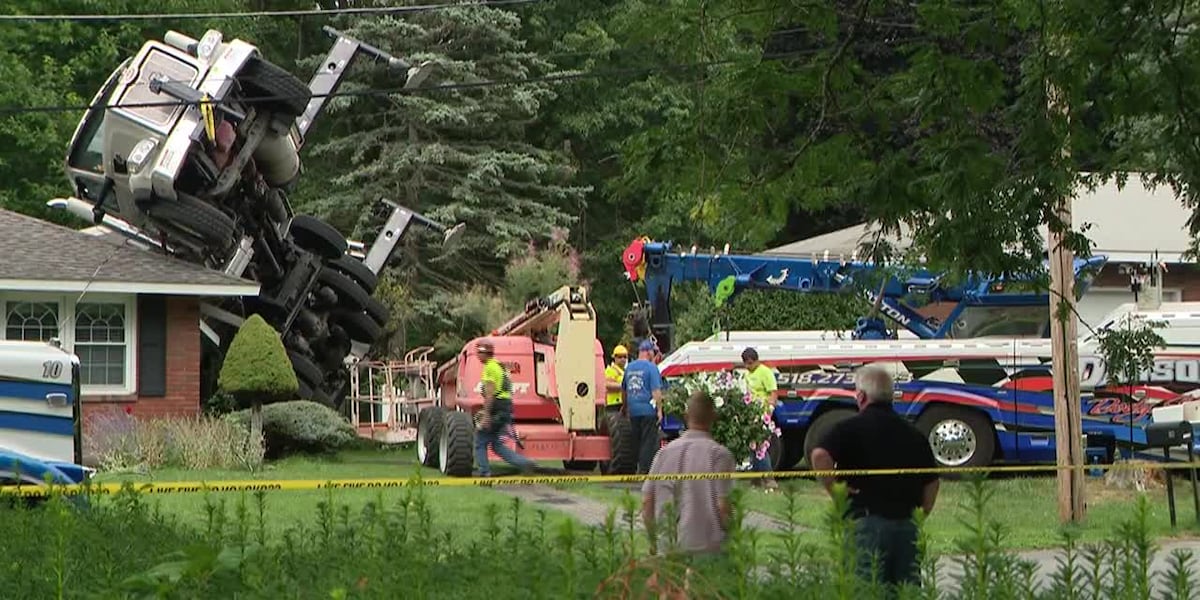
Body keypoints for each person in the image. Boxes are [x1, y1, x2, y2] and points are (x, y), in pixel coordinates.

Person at [808, 365, 941, 593]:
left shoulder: (848, 429)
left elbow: (819, 455)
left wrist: (836, 490)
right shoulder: (913, 434)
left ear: (860, 396)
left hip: (866, 524)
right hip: (906, 526)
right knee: (906, 591)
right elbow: (932, 483)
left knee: (866, 589)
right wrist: (920, 514)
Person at [642, 389, 735, 557]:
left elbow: (648, 501)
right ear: (714, 417)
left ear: (686, 416)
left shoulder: (664, 454)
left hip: (669, 547)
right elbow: (723, 506)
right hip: (709, 549)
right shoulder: (720, 456)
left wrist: (653, 542)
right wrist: (734, 540)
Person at [474, 339, 535, 477]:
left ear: (484, 353)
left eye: (478, 352)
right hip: (506, 406)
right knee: (496, 444)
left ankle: (484, 473)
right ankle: (524, 463)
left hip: (496, 405)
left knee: (480, 441)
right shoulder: (499, 366)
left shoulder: (489, 368)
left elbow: (490, 394)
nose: (477, 355)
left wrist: (487, 415)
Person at [622, 338, 664, 474]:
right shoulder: (652, 368)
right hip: (648, 410)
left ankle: (632, 469)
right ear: (648, 352)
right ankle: (644, 472)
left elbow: (624, 389)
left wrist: (626, 407)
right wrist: (659, 410)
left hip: (633, 410)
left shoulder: (629, 368)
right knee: (648, 442)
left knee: (636, 440)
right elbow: (656, 391)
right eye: (653, 352)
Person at [742, 348, 779, 491]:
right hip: (750, 414)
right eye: (746, 364)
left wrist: (769, 411)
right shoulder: (747, 374)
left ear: (756, 360)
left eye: (750, 363)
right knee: (752, 447)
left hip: (762, 413)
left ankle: (770, 480)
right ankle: (755, 479)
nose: (748, 366)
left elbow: (773, 393)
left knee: (761, 447)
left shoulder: (765, 372)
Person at [604, 345, 629, 414]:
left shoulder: (625, 371)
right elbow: (607, 385)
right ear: (614, 357)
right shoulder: (611, 370)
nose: (623, 359)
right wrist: (624, 386)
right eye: (620, 357)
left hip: (622, 404)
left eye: (625, 357)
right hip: (613, 405)